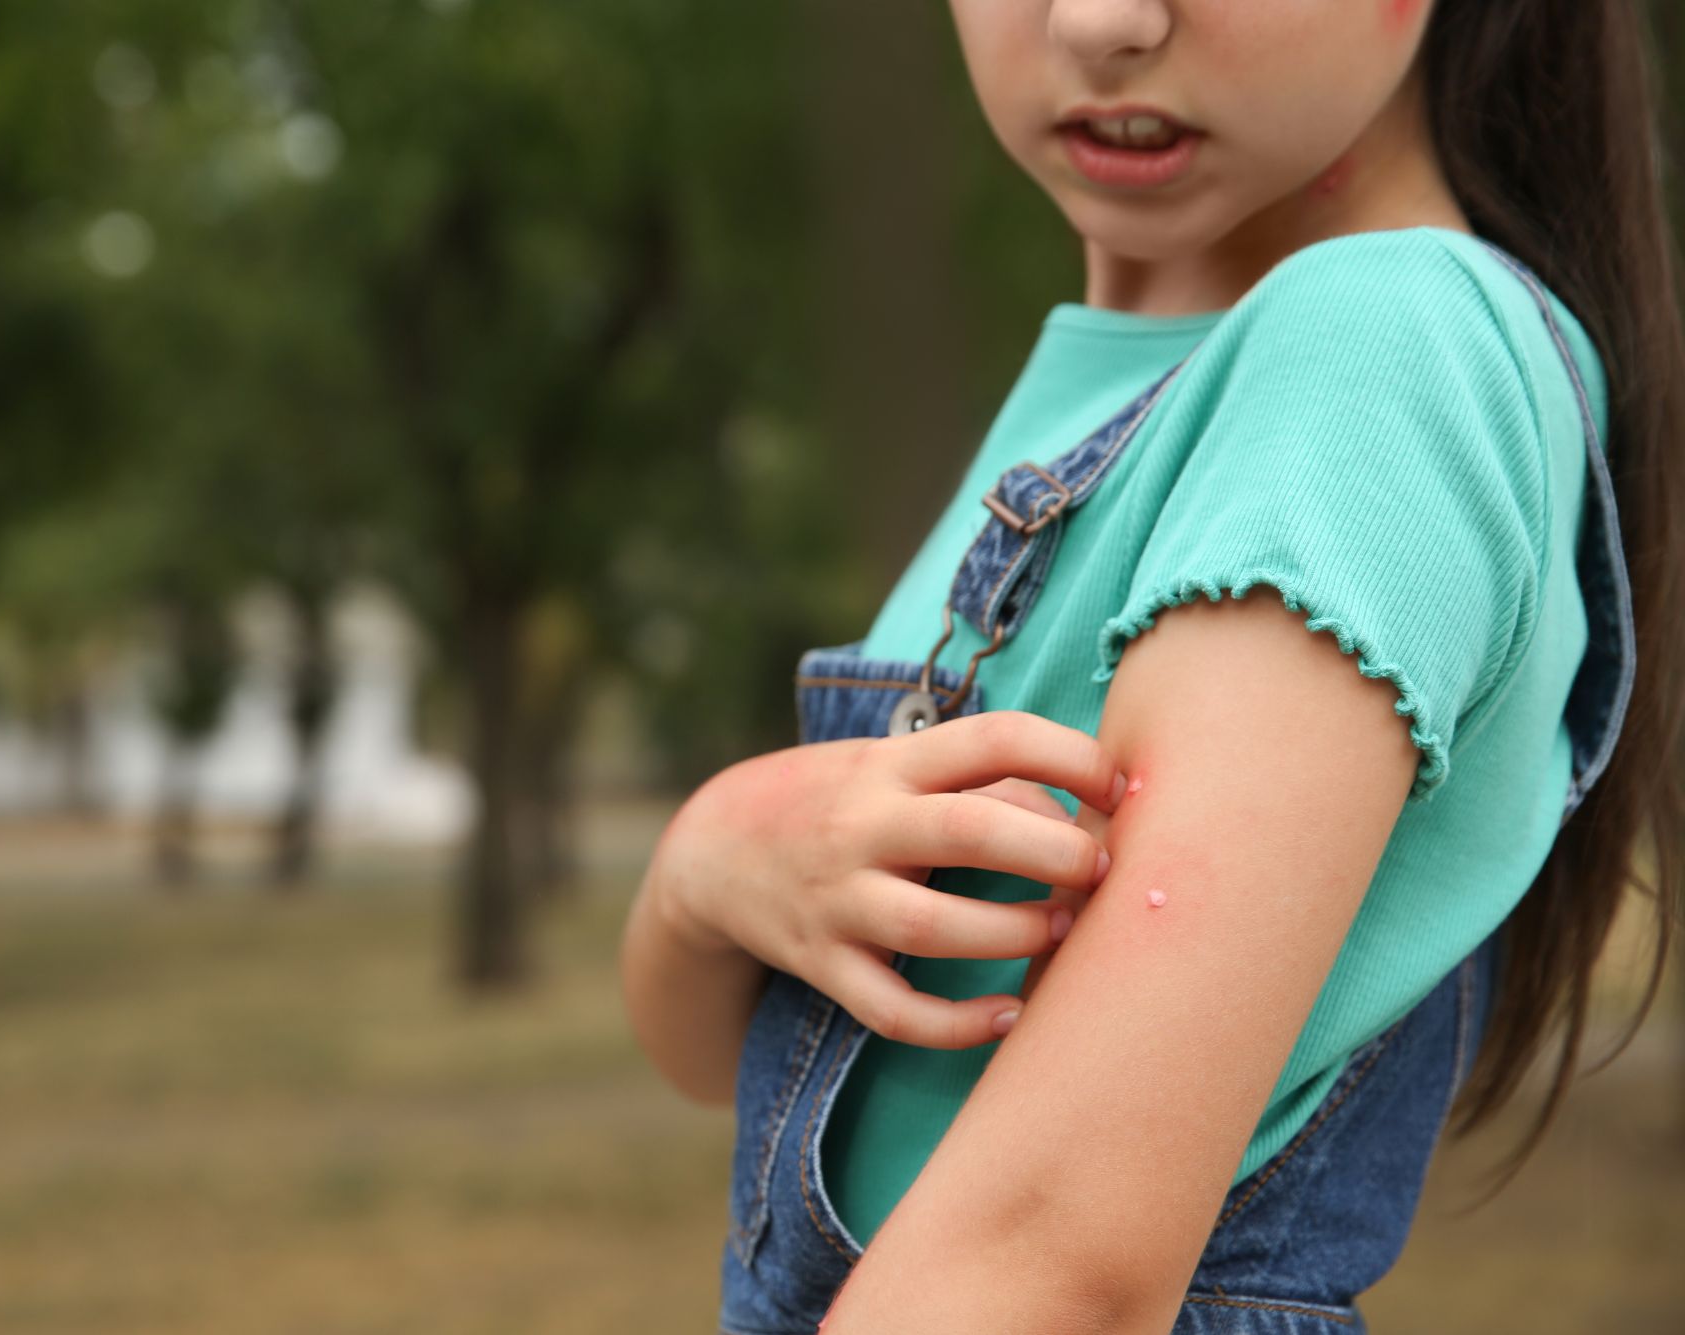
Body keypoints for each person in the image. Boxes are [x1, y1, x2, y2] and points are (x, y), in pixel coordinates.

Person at [619, 2, 1684, 1332]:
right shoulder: (1139, 377)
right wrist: (705, 865)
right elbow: (751, 1067)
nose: (1102, 20)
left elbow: (1056, 1261)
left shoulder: (1376, 353)